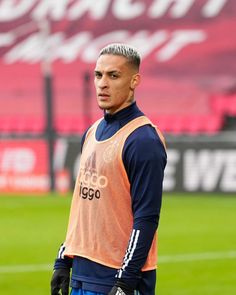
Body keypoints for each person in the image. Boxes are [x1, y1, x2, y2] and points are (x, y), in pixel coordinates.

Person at [51, 43, 167, 295]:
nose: (103, 83)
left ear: (134, 80)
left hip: (115, 278)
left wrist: (125, 281)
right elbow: (83, 209)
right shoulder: (91, 132)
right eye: (98, 75)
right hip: (81, 274)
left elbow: (147, 218)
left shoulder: (143, 141)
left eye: (113, 75)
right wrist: (64, 258)